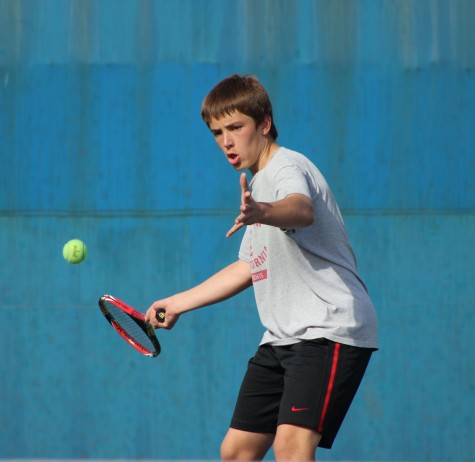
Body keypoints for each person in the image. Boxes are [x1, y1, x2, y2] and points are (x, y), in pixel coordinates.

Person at [145, 74, 378, 461]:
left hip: (328, 329)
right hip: (281, 338)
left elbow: (300, 210)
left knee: (291, 447)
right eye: (218, 132)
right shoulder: (260, 183)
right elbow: (246, 268)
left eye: (236, 127)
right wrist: (177, 302)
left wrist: (262, 212)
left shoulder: (287, 168)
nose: (226, 141)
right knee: (237, 451)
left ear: (265, 124)